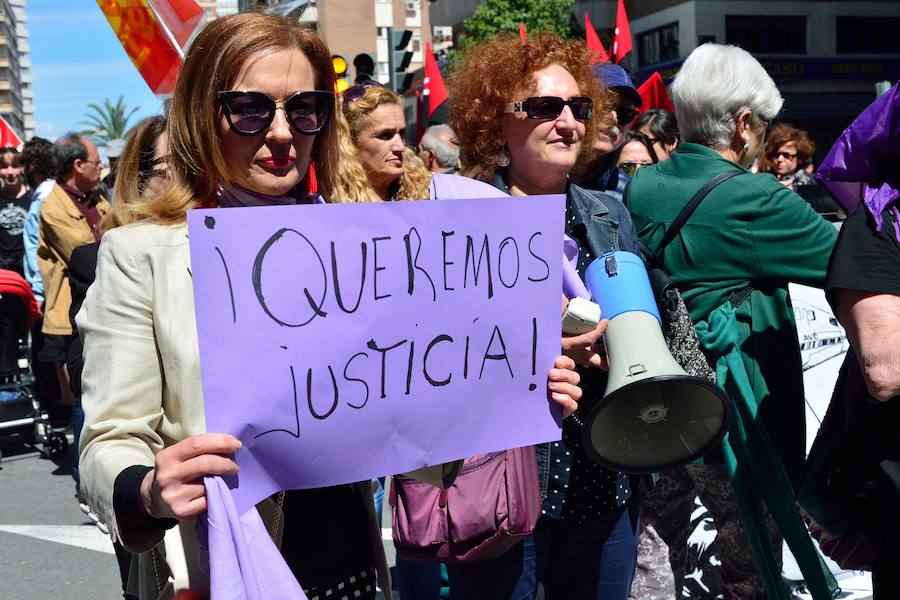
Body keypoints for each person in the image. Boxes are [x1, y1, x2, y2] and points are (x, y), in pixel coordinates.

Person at [77, 13, 583, 599]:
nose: (282, 133)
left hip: (351, 568)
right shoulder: (141, 255)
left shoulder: (364, 244)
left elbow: (404, 432)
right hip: (223, 569)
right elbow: (106, 441)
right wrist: (145, 489)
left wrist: (507, 403)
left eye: (305, 108)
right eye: (250, 108)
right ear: (200, 115)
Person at [627, 43, 838, 599]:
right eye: (764, 126)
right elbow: (853, 260)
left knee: (659, 554)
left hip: (658, 400)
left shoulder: (643, 185)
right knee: (750, 563)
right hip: (735, 414)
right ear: (743, 125)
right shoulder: (757, 198)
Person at [446, 31, 642, 600]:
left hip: (601, 480)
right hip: (498, 485)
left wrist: (616, 349)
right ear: (493, 122)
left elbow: (637, 332)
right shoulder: (457, 222)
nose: (567, 122)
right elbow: (439, 356)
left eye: (577, 108)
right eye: (543, 107)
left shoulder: (609, 215)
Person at [67, 115, 168, 599]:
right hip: (153, 477)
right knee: (141, 568)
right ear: (139, 177)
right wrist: (138, 491)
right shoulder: (107, 256)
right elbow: (87, 362)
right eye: (170, 165)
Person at [38, 134, 109, 413]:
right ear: (78, 165)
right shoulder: (52, 207)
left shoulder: (98, 199)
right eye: (97, 161)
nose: (101, 166)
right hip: (72, 313)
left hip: (104, 304)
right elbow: (84, 254)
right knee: (83, 398)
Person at [334, 85, 431, 202]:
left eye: (401, 133)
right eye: (384, 135)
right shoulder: (328, 204)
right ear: (350, 142)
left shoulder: (431, 193)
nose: (400, 146)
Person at [0, 147, 31, 275]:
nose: (10, 172)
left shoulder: (33, 198)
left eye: (14, 166)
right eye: (4, 166)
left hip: (28, 268)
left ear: (22, 168)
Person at [759, 124, 815, 190]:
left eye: (786, 155)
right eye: (775, 154)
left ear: (799, 158)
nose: (780, 159)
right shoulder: (764, 179)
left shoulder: (810, 183)